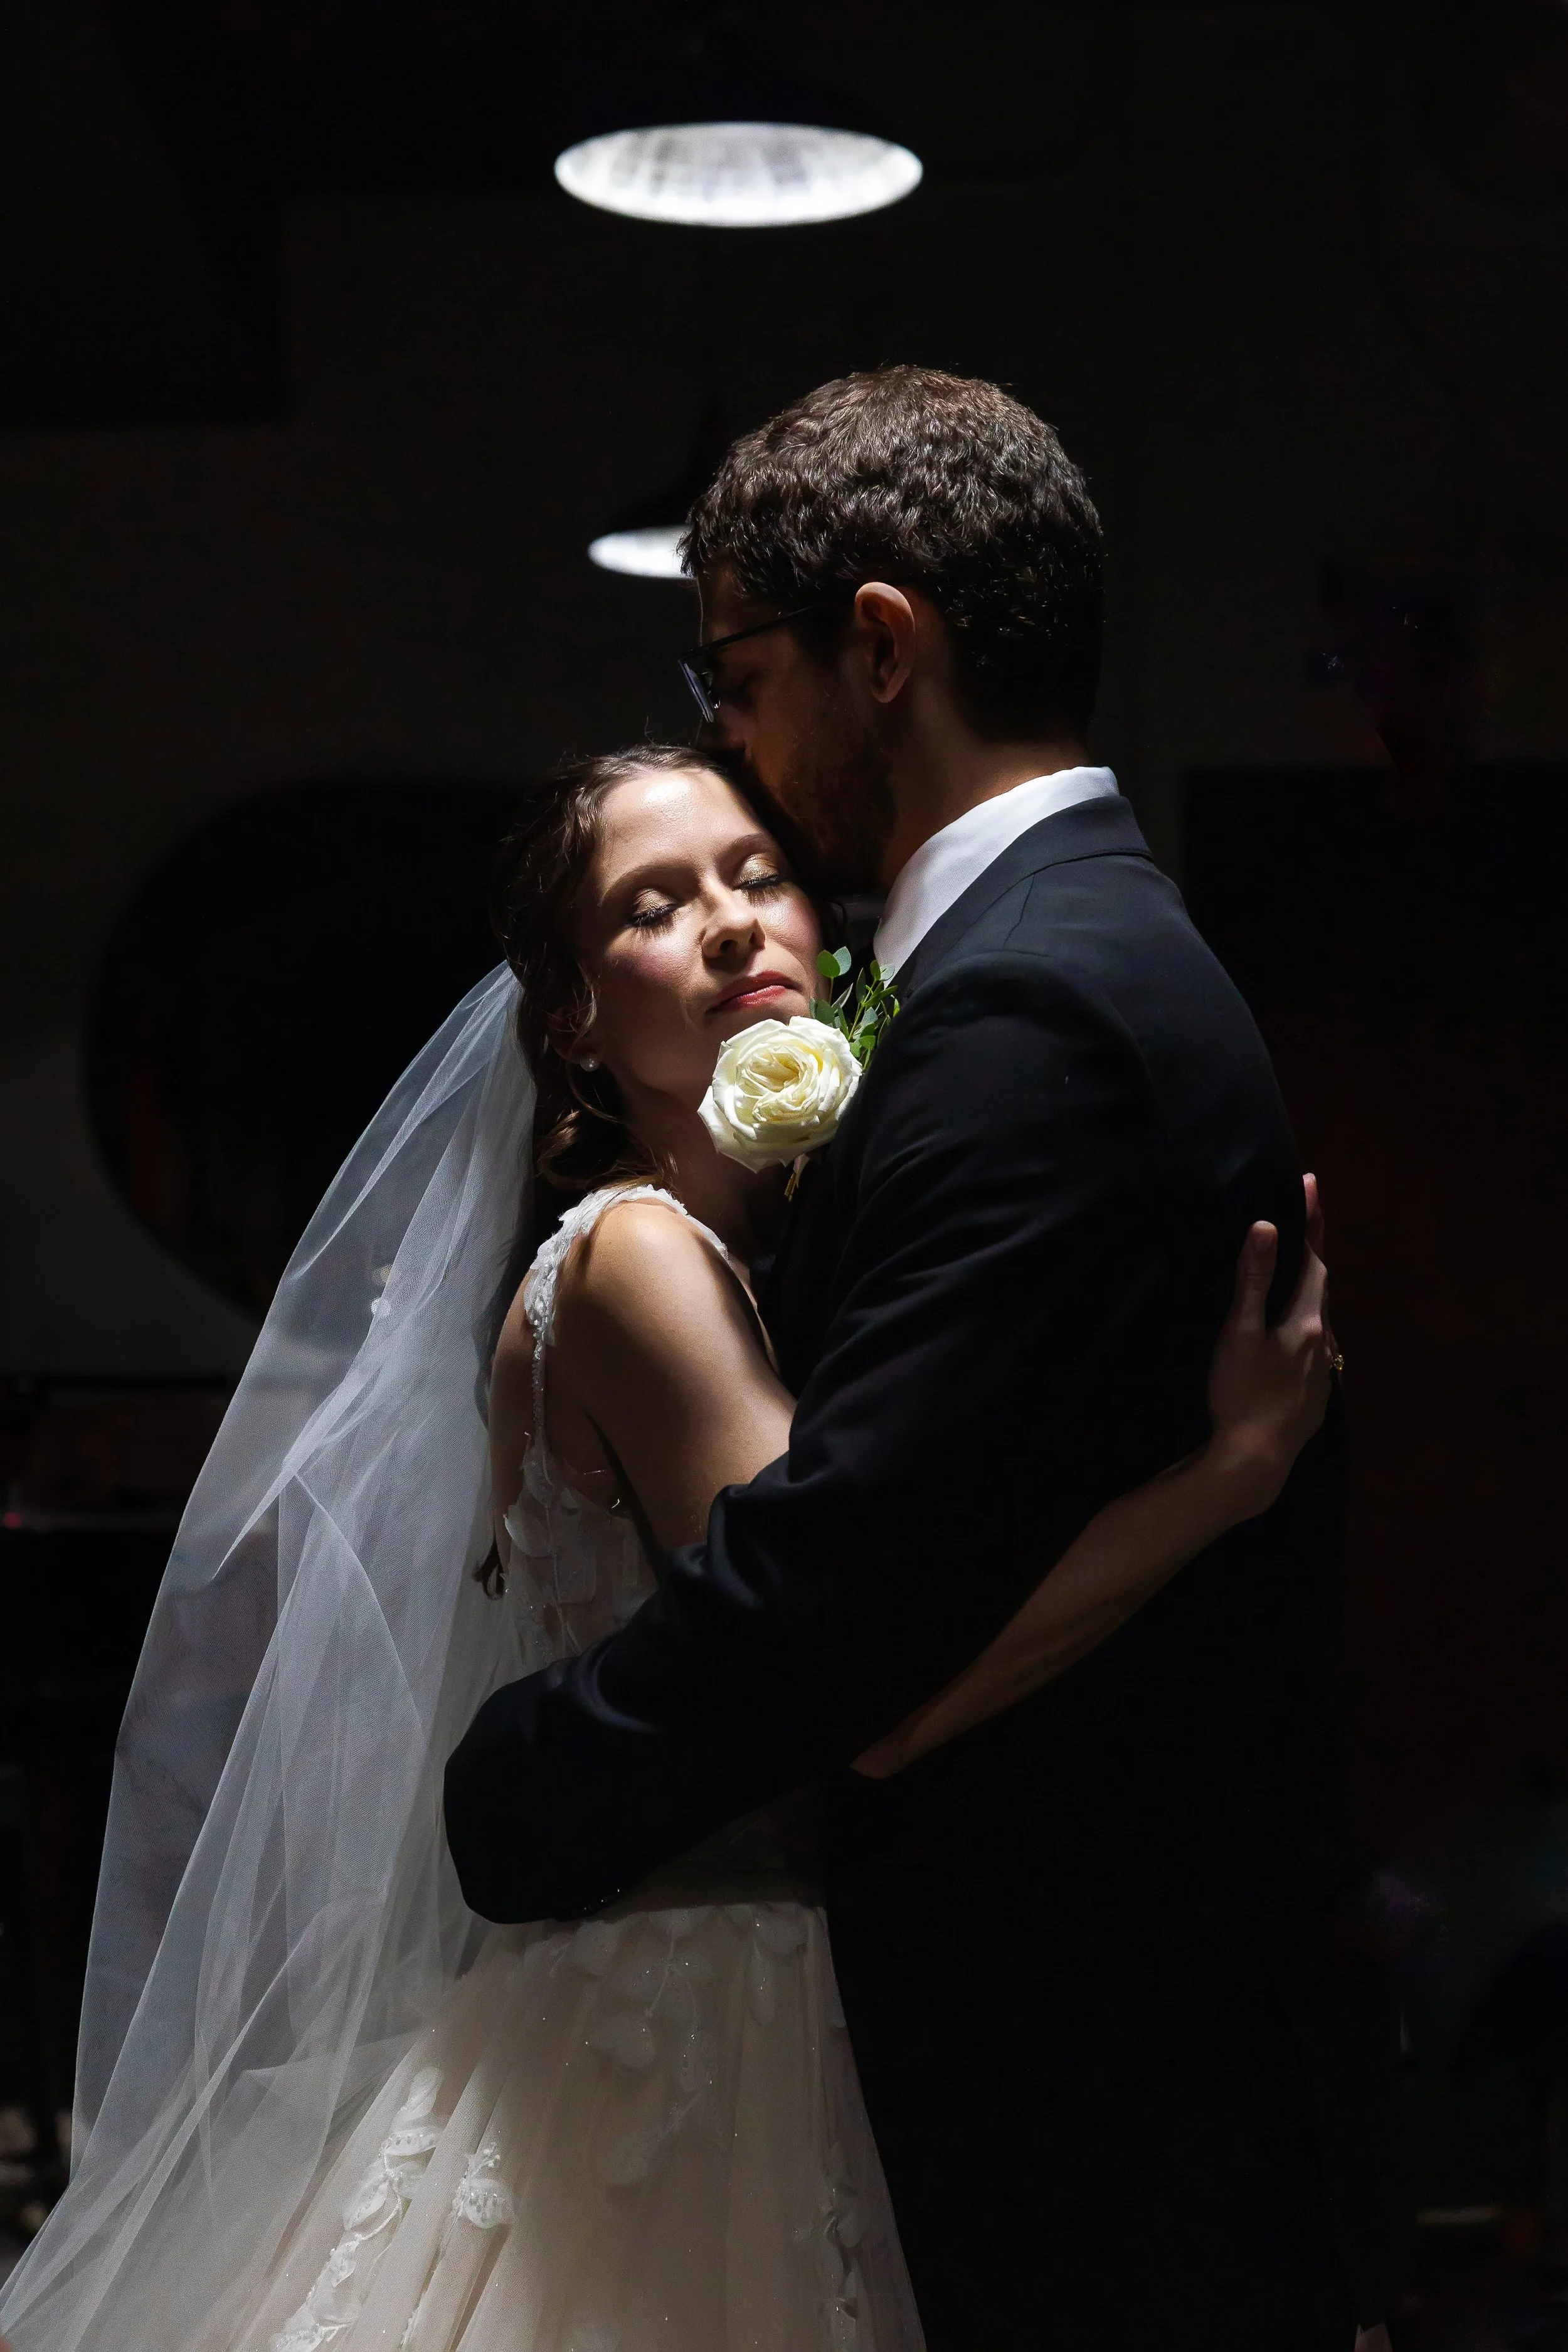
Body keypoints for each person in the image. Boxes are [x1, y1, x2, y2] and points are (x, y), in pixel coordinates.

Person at [0, 739, 1333, 2352]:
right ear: (570, 1016)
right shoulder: (637, 1264)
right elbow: (858, 1686)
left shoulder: (767, 1265)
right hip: (691, 2014)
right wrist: (1225, 1474)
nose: (726, 924)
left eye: (756, 876)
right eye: (652, 904)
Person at [443, 370, 1406, 2352]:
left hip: (1094, 2074)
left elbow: (837, 1629)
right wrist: (1209, 1484)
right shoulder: (1054, 956)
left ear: (878, 644)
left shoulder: (1020, 1007)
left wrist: (508, 1782)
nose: (731, 734)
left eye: (736, 669)